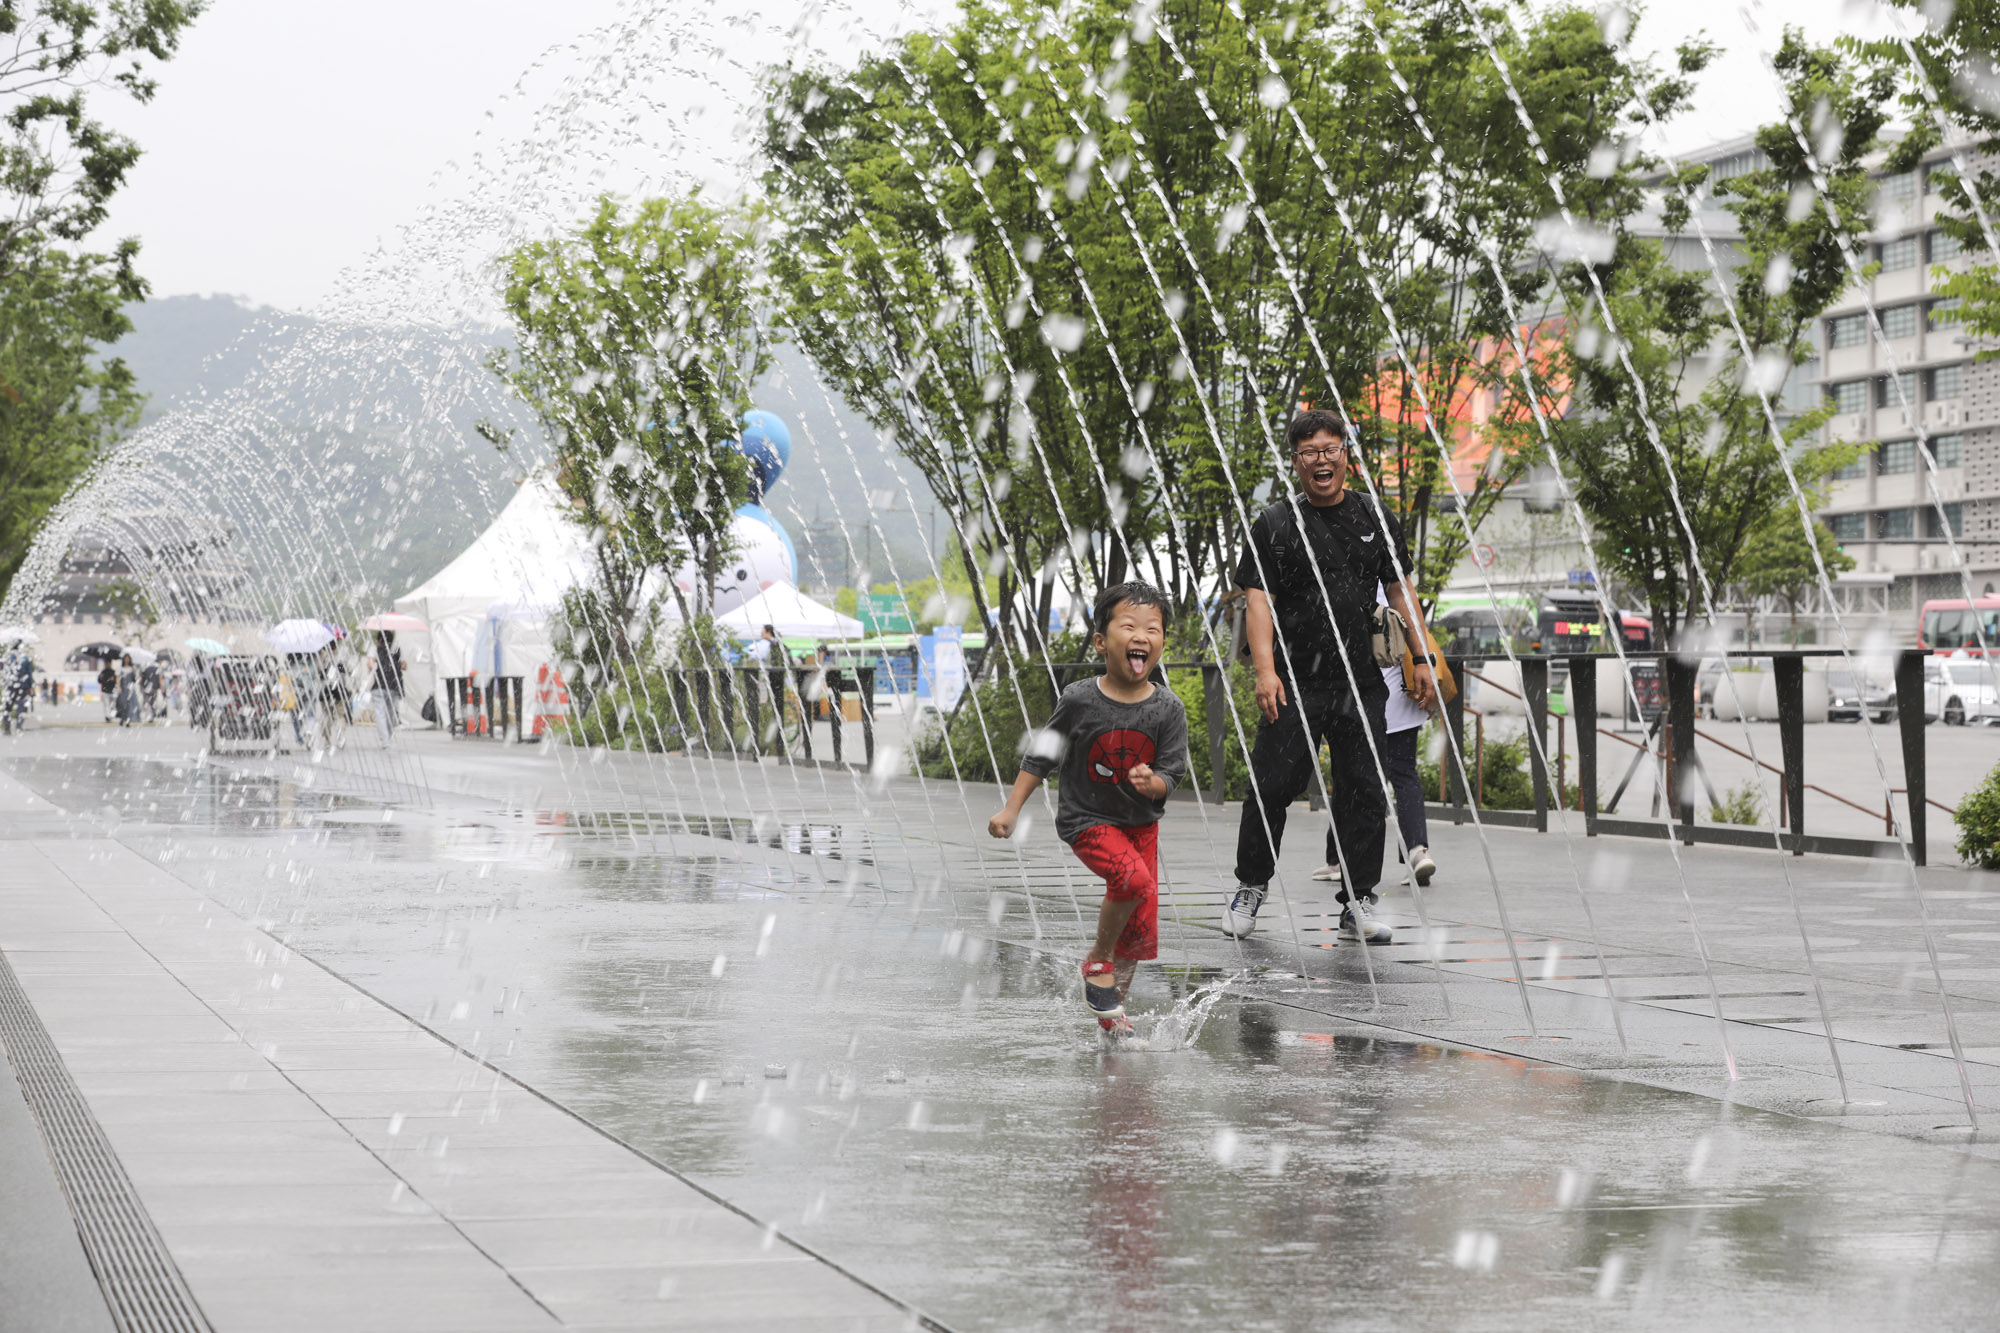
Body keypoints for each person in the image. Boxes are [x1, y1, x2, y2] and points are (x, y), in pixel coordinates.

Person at [1225, 408, 1436, 945]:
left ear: (1346, 454)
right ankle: (1251, 886)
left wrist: (1422, 657)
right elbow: (1258, 603)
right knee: (1273, 784)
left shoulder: (1376, 517)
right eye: (1308, 452)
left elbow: (1398, 592)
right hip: (1294, 680)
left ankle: (1359, 901)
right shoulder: (1274, 524)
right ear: (1295, 462)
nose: (1321, 460)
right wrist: (1266, 672)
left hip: (1360, 679)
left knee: (1364, 787)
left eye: (1330, 449)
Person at [988, 582, 1189, 1038]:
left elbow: (1171, 775)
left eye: (1153, 629)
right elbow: (1043, 755)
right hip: (1087, 819)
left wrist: (1152, 782)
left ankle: (1111, 1013)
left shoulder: (1167, 709)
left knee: (1138, 932)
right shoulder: (1080, 699)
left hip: (1141, 826)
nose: (1142, 635)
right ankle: (1097, 959)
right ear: (1101, 641)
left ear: (1161, 643)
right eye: (1129, 626)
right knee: (1132, 881)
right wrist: (1011, 809)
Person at [1316, 587, 1436, 888]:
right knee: (1404, 773)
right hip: (1405, 693)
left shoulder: (1349, 580)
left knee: (1351, 776)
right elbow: (1419, 634)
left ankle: (1338, 859)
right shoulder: (1399, 587)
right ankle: (1417, 851)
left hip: (1363, 699)